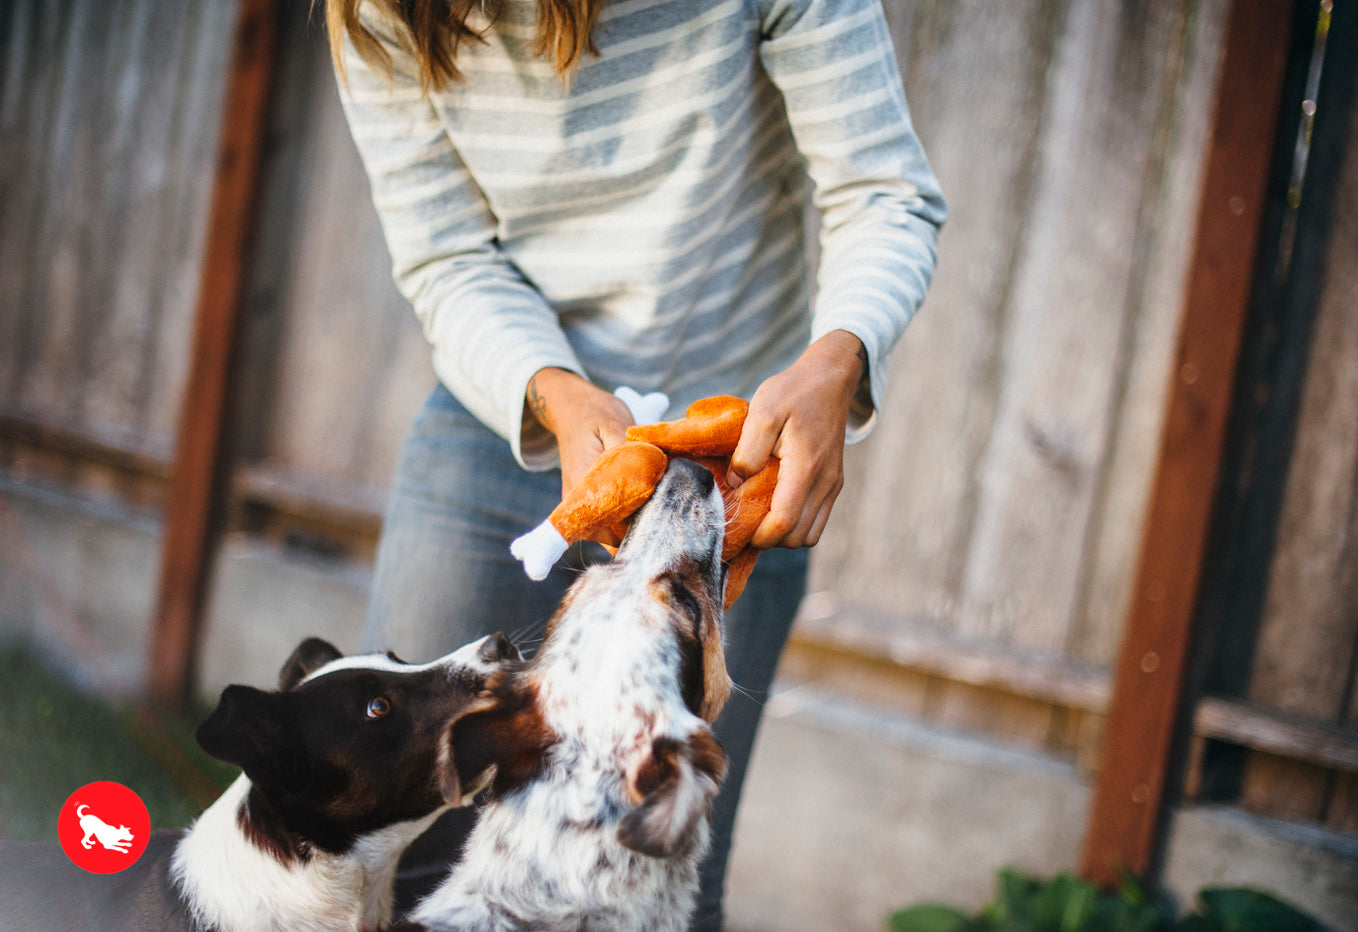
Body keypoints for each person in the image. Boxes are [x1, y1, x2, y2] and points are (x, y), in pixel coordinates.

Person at [327, 0, 945, 927]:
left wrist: (835, 361)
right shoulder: (380, 11)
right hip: (501, 416)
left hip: (735, 467)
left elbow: (884, 193)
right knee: (395, 860)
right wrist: (556, 391)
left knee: (670, 870)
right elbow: (448, 252)